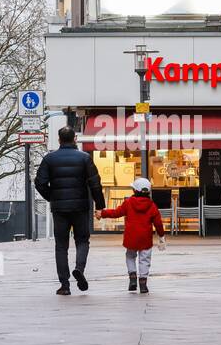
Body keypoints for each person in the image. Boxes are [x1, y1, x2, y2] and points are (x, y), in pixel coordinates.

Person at [34, 125, 105, 295]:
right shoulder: (85, 158)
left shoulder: (49, 159)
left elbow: (39, 183)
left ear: (59, 140)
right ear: (75, 139)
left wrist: (52, 197)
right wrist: (100, 206)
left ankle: (64, 284)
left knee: (61, 246)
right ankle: (79, 268)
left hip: (59, 209)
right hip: (80, 207)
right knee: (82, 240)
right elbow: (95, 183)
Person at [97, 177, 166, 294]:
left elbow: (116, 213)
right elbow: (158, 223)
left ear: (134, 191)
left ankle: (133, 278)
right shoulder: (152, 206)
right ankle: (143, 284)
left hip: (131, 237)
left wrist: (102, 213)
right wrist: (161, 236)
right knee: (145, 260)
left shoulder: (128, 203)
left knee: (130, 256)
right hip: (145, 238)